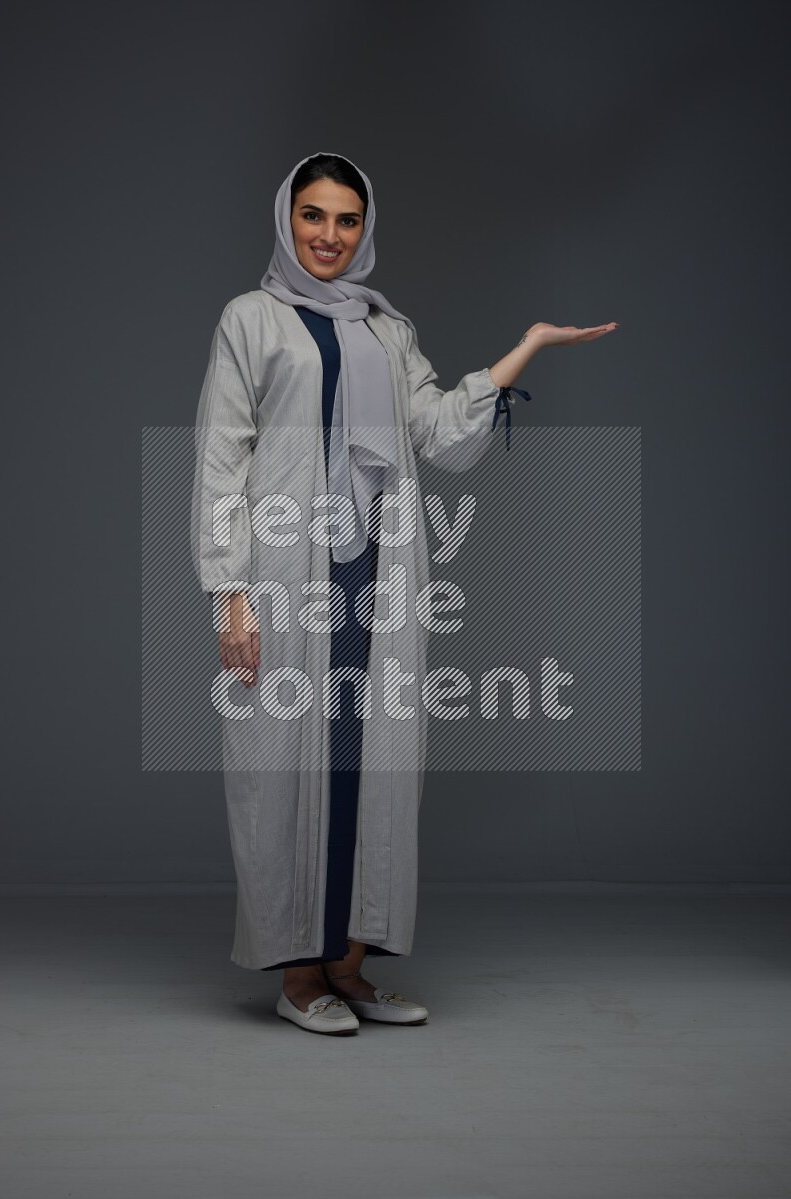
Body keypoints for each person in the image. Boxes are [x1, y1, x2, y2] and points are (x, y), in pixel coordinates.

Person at [191, 150, 617, 1036]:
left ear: (365, 229)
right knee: (282, 766)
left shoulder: (388, 330)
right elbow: (218, 459)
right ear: (286, 218)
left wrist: (525, 350)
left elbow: (437, 433)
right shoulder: (251, 320)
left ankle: (347, 967)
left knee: (371, 761)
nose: (329, 236)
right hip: (285, 578)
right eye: (314, 215)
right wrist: (228, 592)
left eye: (347, 220)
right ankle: (298, 975)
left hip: (377, 579)